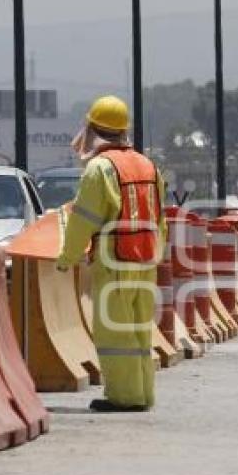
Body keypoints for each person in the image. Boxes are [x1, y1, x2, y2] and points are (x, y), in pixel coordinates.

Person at [56, 95, 166, 412]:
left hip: (115, 261)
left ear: (93, 130)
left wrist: (67, 258)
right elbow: (160, 218)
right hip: (146, 260)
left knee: (114, 335)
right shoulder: (147, 164)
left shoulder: (100, 169)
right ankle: (143, 394)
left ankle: (125, 397)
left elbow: (83, 220)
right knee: (138, 331)